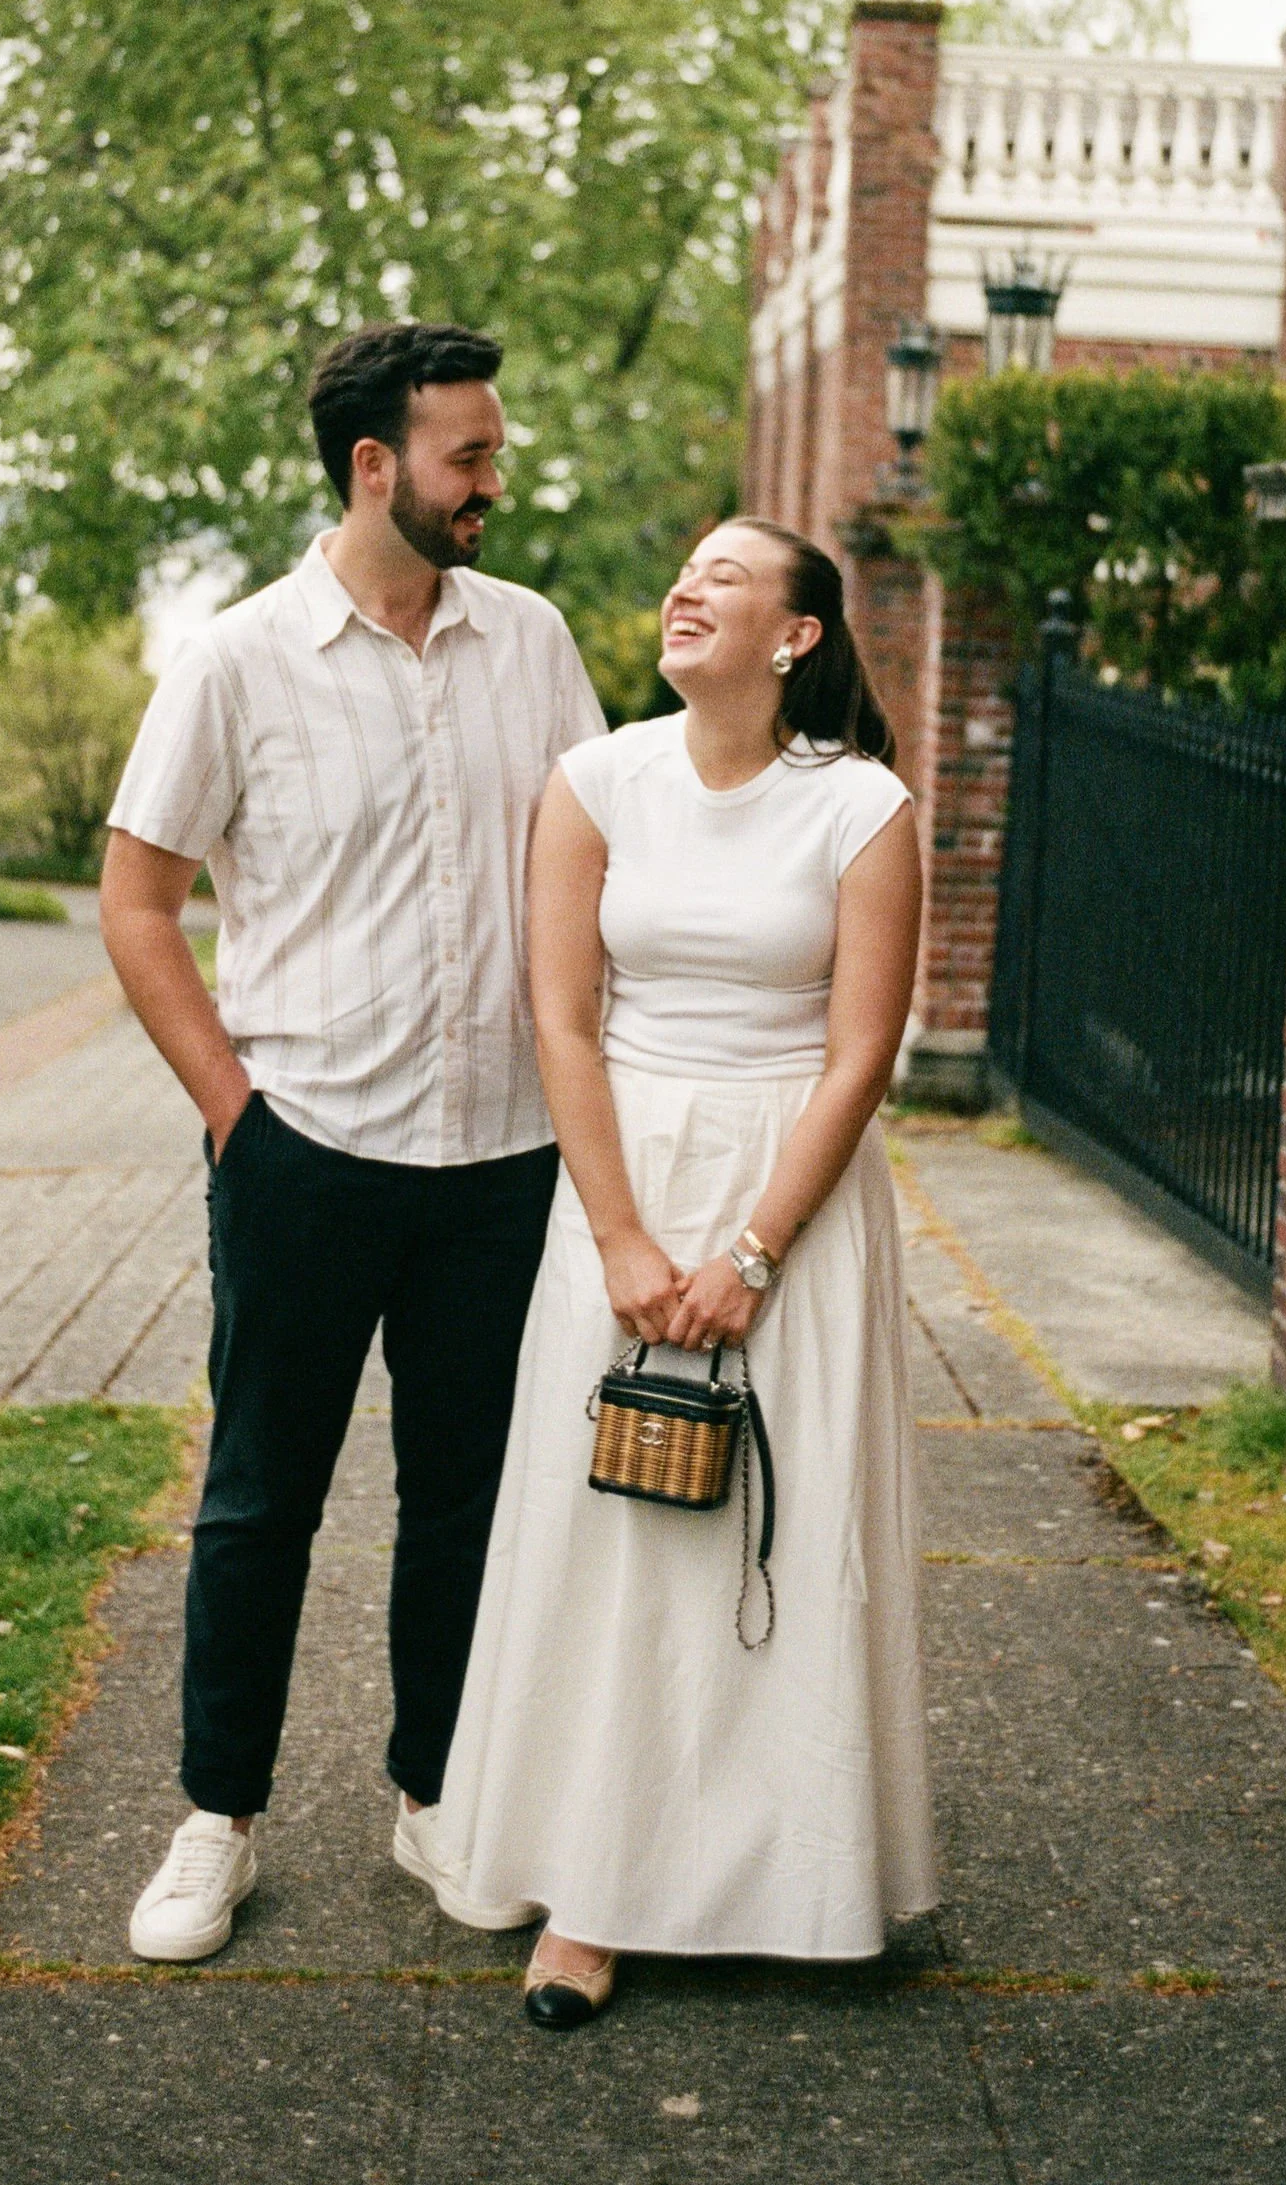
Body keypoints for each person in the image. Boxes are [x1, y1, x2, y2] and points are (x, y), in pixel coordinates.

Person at [102, 320, 604, 1964]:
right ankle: (217, 1821)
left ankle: (435, 1794)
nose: (494, 479)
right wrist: (235, 1120)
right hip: (304, 1154)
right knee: (262, 1501)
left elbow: (602, 855)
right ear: (376, 466)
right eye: (471, 454)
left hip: (503, 1166)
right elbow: (138, 902)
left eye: (495, 450)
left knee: (470, 1501)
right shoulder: (236, 662)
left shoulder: (533, 643)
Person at [433, 516, 936, 2026]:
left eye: (726, 575)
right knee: (612, 1541)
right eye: (683, 571)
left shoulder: (862, 806)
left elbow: (862, 1052)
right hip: (624, 1180)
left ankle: (789, 1878)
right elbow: (562, 1019)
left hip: (796, 1196)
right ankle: (589, 1896)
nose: (685, 588)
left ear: (796, 635)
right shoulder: (596, 783)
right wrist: (624, 1239)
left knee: (783, 1531)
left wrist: (756, 1251)